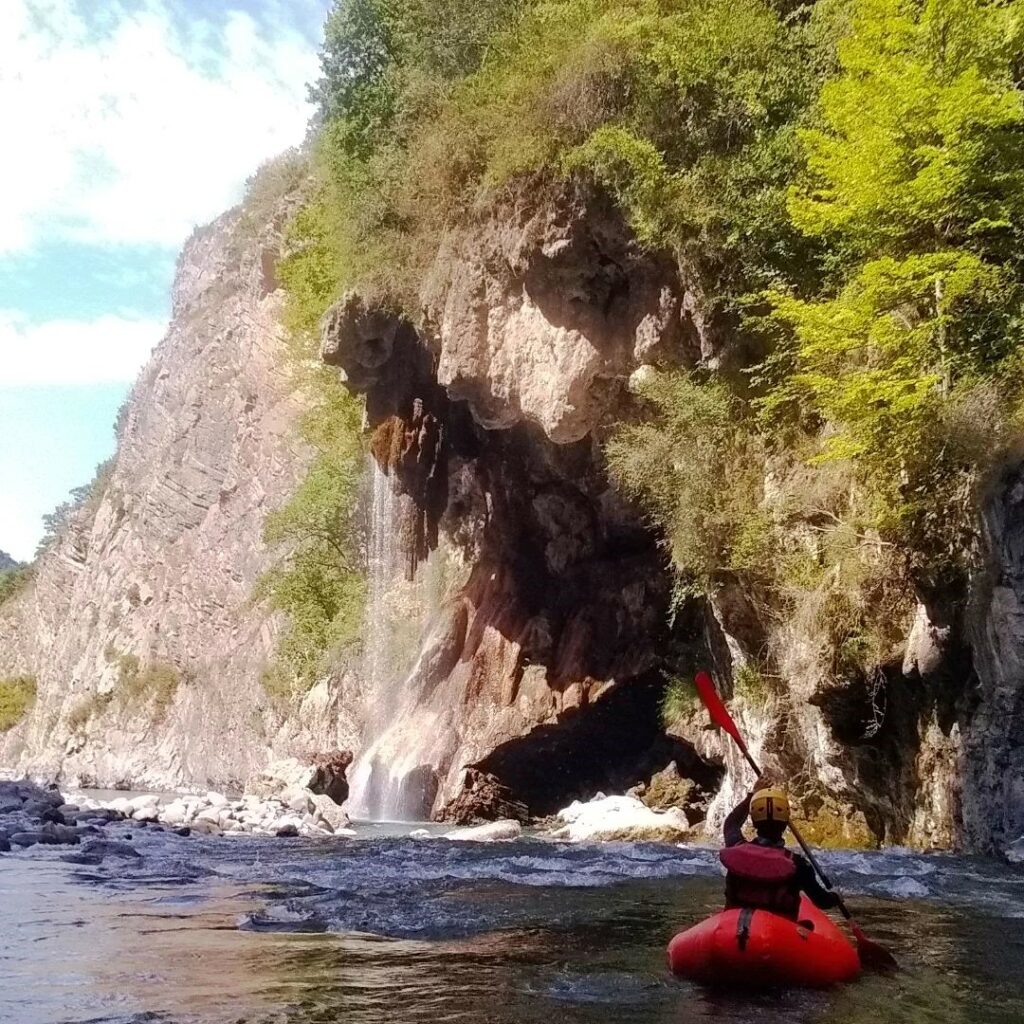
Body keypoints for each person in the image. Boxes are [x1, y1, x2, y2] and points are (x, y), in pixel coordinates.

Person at [720, 784, 839, 922]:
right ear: (785, 823)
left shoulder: (736, 848)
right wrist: (836, 897)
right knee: (807, 925)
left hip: (733, 926)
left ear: (753, 821)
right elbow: (822, 901)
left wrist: (752, 795)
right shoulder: (798, 865)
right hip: (776, 933)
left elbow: (731, 824)